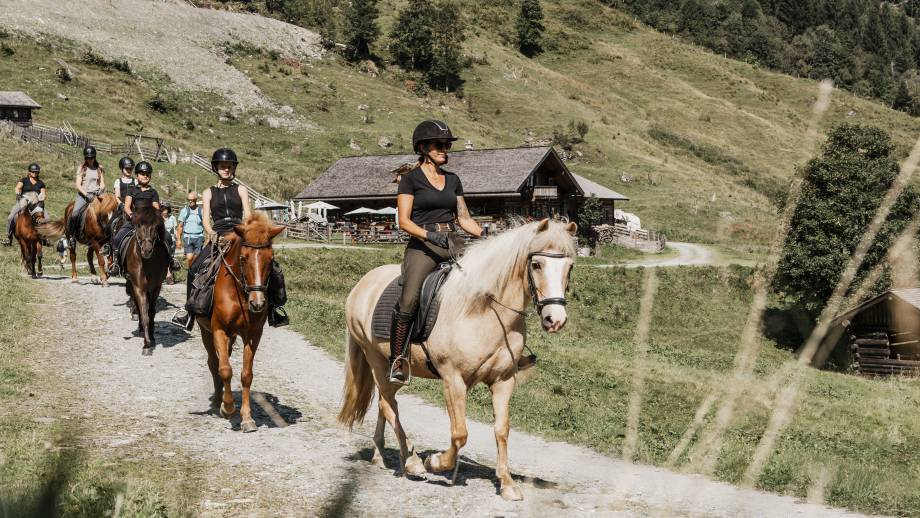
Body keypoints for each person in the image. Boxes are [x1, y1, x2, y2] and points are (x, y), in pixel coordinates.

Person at [388, 120, 483, 384]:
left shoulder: (453, 180)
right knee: (410, 297)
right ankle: (398, 357)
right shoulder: (410, 180)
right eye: (440, 145)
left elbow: (463, 218)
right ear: (423, 148)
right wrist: (431, 235)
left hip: (453, 241)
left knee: (485, 284)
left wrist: (486, 236)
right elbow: (404, 221)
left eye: (447, 145)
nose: (445, 149)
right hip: (423, 245)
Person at [171, 148, 288, 329]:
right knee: (194, 267)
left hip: (240, 233)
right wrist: (212, 234)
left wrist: (248, 233)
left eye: (229, 166)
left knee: (273, 268)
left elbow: (248, 216)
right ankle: (189, 311)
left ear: (234, 168)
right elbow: (206, 220)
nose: (226, 169)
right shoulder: (208, 192)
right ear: (216, 168)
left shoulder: (241, 189)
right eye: (222, 166)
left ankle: (274, 309)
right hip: (218, 234)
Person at [110, 161, 160, 270]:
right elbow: (127, 206)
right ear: (137, 175)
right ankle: (116, 263)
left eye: (147, 174)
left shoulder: (153, 192)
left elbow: (156, 208)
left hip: (149, 223)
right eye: (142, 174)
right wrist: (132, 215)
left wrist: (153, 217)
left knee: (167, 238)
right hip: (134, 220)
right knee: (118, 238)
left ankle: (170, 261)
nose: (145, 176)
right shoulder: (132, 190)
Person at [4, 163, 46, 246]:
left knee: (47, 218)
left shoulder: (41, 183)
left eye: (37, 172)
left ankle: (44, 238)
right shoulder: (24, 180)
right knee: (11, 217)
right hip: (23, 202)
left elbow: (43, 193)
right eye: (33, 171)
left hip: (36, 204)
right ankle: (8, 237)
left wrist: (42, 197)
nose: (35, 173)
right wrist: (18, 192)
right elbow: (18, 187)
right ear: (29, 172)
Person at [69, 146, 105, 237]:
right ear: (85, 158)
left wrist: (101, 190)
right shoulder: (82, 168)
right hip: (84, 196)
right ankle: (72, 236)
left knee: (108, 212)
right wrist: (87, 194)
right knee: (74, 214)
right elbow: (78, 185)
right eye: (88, 158)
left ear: (95, 157)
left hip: (97, 196)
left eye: (92, 157)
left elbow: (102, 183)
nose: (90, 160)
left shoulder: (99, 168)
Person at [176, 191, 205, 268]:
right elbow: (180, 226)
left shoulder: (201, 211)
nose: (190, 201)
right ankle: (190, 271)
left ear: (196, 200)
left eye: (192, 200)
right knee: (189, 258)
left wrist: (209, 237)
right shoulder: (184, 211)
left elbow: (205, 224)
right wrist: (178, 240)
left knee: (198, 257)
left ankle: (194, 272)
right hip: (188, 237)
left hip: (199, 237)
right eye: (188, 199)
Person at [162, 202, 178, 285]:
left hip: (171, 240)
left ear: (168, 209)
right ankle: (166, 276)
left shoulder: (172, 218)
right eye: (163, 208)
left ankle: (170, 276)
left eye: (165, 208)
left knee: (171, 258)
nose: (164, 210)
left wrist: (177, 239)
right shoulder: (159, 218)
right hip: (162, 241)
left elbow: (175, 230)